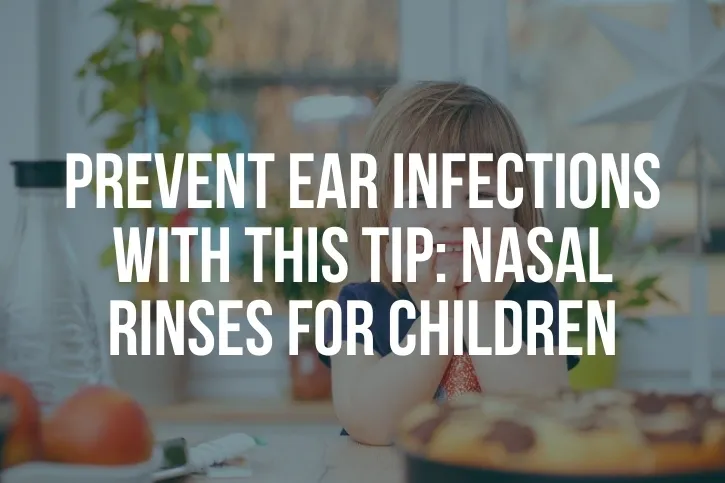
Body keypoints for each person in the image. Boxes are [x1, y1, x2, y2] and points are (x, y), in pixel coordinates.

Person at [318, 81, 579, 446]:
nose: (454, 217)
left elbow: (546, 419)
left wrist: (482, 308)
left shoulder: (533, 301)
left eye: (481, 194)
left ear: (517, 215)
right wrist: (438, 319)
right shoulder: (361, 307)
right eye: (422, 196)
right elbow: (371, 424)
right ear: (383, 219)